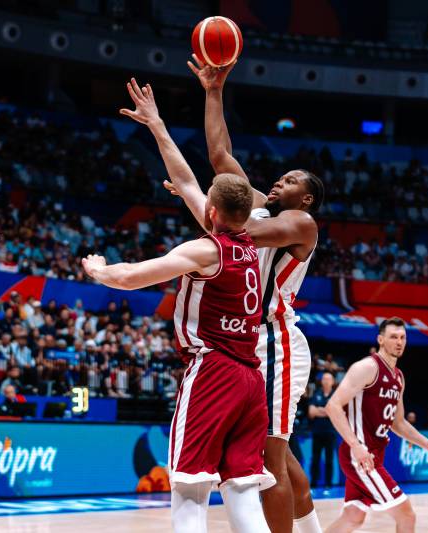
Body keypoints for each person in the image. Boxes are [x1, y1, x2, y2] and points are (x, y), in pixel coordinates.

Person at [153, 57, 325, 533]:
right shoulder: (260, 213)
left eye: (290, 181)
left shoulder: (299, 224)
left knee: (269, 455)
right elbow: (219, 155)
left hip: (276, 341)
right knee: (276, 457)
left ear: (306, 198)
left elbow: (238, 223)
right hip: (249, 341)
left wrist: (208, 203)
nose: (278, 182)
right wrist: (213, 90)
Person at [84, 103, 273, 533]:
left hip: (214, 372)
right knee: (242, 493)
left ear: (211, 211)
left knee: (189, 491)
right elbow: (187, 182)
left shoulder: (206, 251)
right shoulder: (252, 242)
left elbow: (131, 277)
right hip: (250, 379)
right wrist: (157, 125)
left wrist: (97, 270)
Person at [324, 318, 428, 533]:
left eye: (403, 337)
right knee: (406, 514)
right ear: (380, 339)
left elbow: (398, 423)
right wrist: (356, 446)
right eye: (393, 337)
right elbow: (333, 406)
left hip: (373, 455)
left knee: (353, 518)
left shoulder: (398, 378)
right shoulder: (367, 367)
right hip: (361, 457)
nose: (399, 342)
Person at [308, 372, 337, 488]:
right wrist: (326, 411)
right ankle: (313, 483)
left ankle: (328, 484)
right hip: (317, 432)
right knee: (315, 459)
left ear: (332, 382)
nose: (325, 381)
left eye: (328, 379)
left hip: (330, 432)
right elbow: (311, 413)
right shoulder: (316, 394)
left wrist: (318, 410)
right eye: (324, 379)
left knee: (329, 460)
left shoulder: (336, 396)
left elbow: (335, 413)